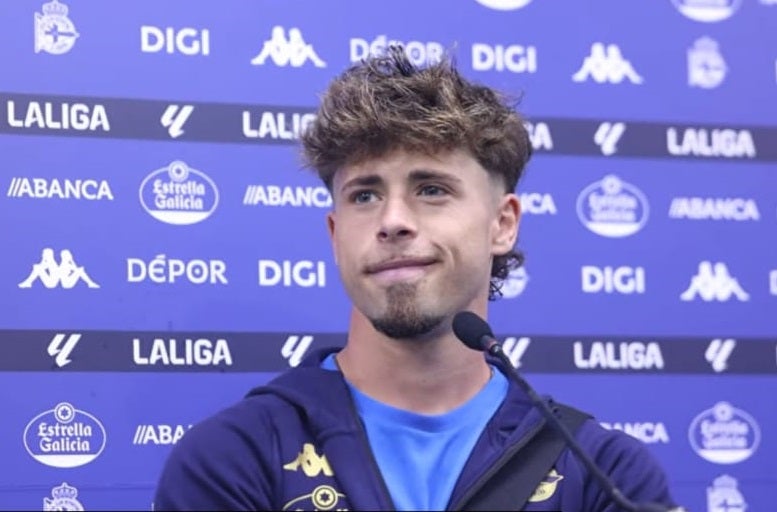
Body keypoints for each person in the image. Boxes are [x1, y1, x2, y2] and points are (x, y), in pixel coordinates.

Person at [153, 47, 677, 511]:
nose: (392, 220)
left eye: (431, 189)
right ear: (335, 233)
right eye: (364, 194)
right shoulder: (237, 457)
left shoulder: (601, 476)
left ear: (503, 224)